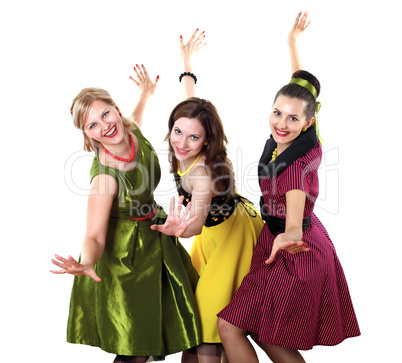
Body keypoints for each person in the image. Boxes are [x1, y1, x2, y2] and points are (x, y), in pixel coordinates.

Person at [217, 12, 360, 363]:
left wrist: (285, 235)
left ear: (308, 121)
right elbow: (300, 88)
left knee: (235, 327)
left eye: (292, 118)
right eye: (277, 112)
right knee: (250, 328)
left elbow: (294, 224)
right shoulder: (310, 135)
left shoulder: (293, 171)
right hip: (283, 241)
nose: (282, 123)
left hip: (294, 252)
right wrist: (292, 43)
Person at [50, 66, 202, 363]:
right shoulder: (104, 178)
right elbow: (93, 234)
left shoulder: (131, 130)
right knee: (135, 346)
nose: (104, 126)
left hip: (156, 238)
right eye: (92, 125)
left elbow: (135, 118)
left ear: (116, 110)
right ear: (87, 136)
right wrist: (88, 261)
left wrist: (145, 94)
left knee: (192, 321)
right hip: (125, 259)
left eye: (105, 114)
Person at [150, 31, 264, 363]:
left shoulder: (203, 174)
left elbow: (196, 222)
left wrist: (178, 230)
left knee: (209, 321)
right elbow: (192, 104)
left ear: (207, 140)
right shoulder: (188, 131)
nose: (182, 143)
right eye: (177, 131)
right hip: (215, 233)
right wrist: (187, 67)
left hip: (232, 235)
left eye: (193, 137)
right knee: (192, 311)